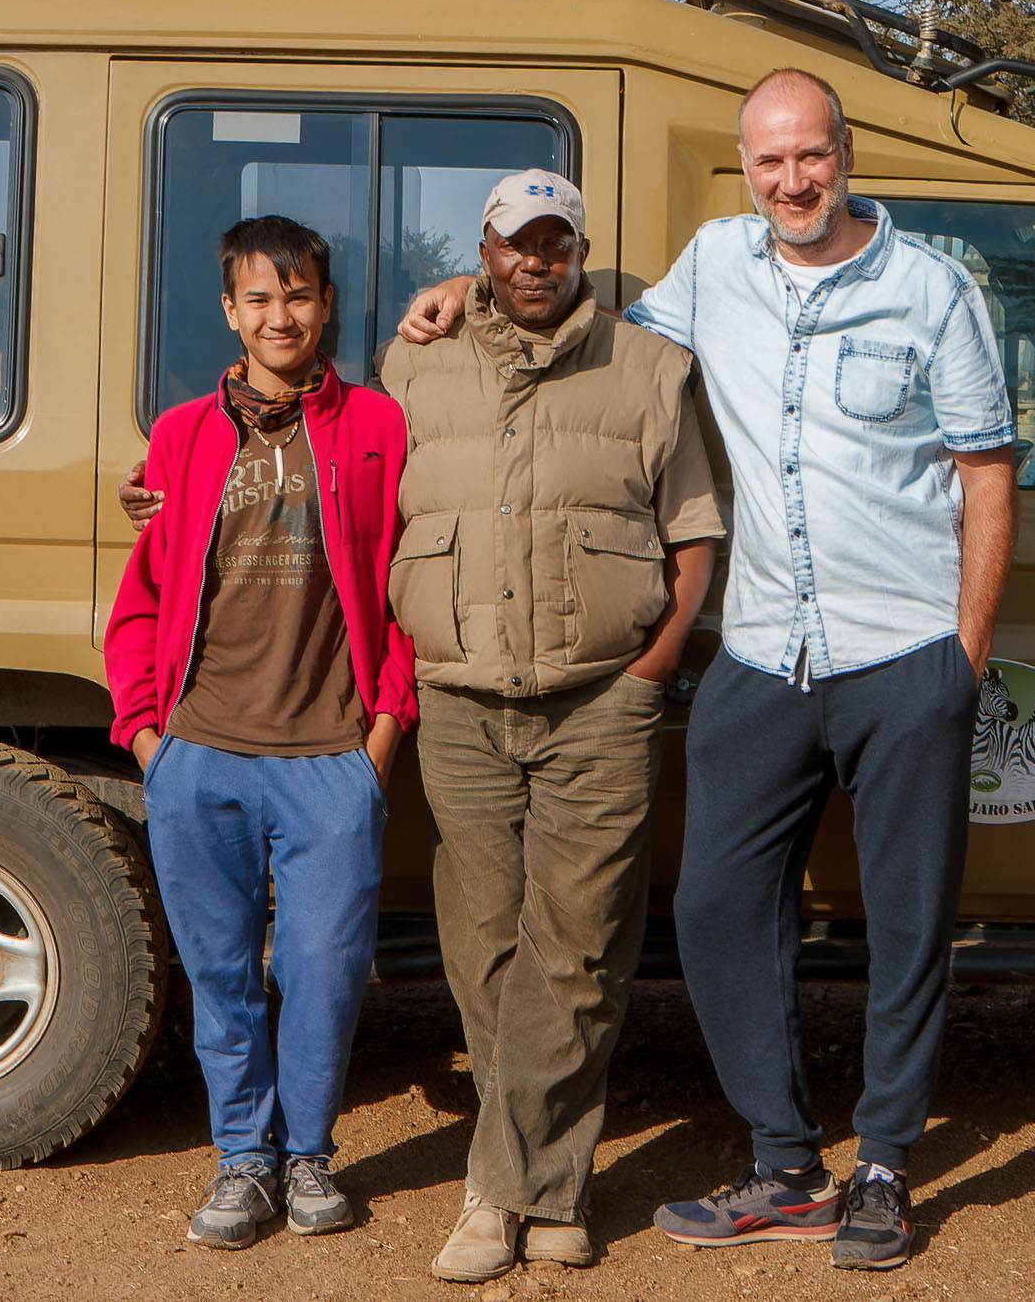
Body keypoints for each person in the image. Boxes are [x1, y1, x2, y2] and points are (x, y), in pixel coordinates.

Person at [400, 68, 1017, 1273]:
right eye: (769, 160)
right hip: (762, 647)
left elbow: (985, 472)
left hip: (901, 647)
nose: (792, 179)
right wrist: (459, 293)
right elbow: (587, 323)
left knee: (907, 921)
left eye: (810, 155)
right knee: (717, 908)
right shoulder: (715, 263)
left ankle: (886, 1164)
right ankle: (786, 1165)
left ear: (846, 153)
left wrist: (964, 655)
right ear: (747, 168)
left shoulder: (932, 288)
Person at [377, 171, 721, 1282]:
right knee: (483, 947)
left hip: (600, 700)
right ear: (483, 249)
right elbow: (347, 488)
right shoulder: (412, 364)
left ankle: (499, 1195)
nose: (536, 260)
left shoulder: (651, 367)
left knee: (578, 948)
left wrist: (652, 667)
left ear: (579, 250)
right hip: (459, 700)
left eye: (555, 242)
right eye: (514, 242)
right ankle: (554, 1190)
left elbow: (693, 532)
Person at [104, 215, 415, 1251]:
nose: (281, 315)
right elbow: (144, 596)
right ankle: (243, 1156)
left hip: (332, 758)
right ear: (230, 311)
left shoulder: (377, 425)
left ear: (326, 306)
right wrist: (147, 736)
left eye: (299, 295)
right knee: (222, 973)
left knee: (324, 969)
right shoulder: (183, 435)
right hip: (200, 754)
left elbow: (404, 589)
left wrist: (380, 740)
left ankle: (310, 1153)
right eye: (259, 298)